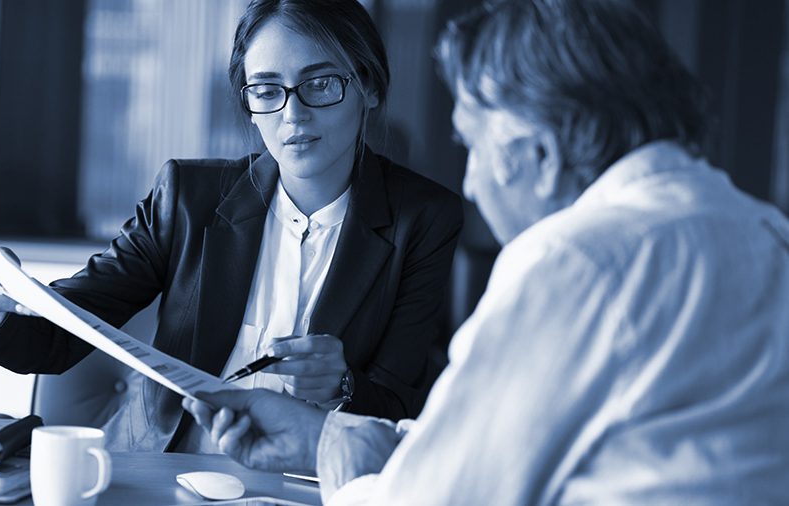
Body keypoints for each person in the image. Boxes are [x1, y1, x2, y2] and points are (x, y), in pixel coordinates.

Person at [185, 0, 789, 503]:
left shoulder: (574, 261)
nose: (470, 184)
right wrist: (328, 439)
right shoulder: (760, 231)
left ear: (541, 157)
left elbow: (438, 500)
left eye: (473, 145)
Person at [0, 0, 463, 453]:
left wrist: (341, 386)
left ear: (368, 86)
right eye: (266, 90)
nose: (293, 114)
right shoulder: (187, 197)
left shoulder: (423, 219)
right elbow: (59, 336)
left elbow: (400, 407)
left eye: (320, 84)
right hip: (163, 470)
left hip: (309, 484)